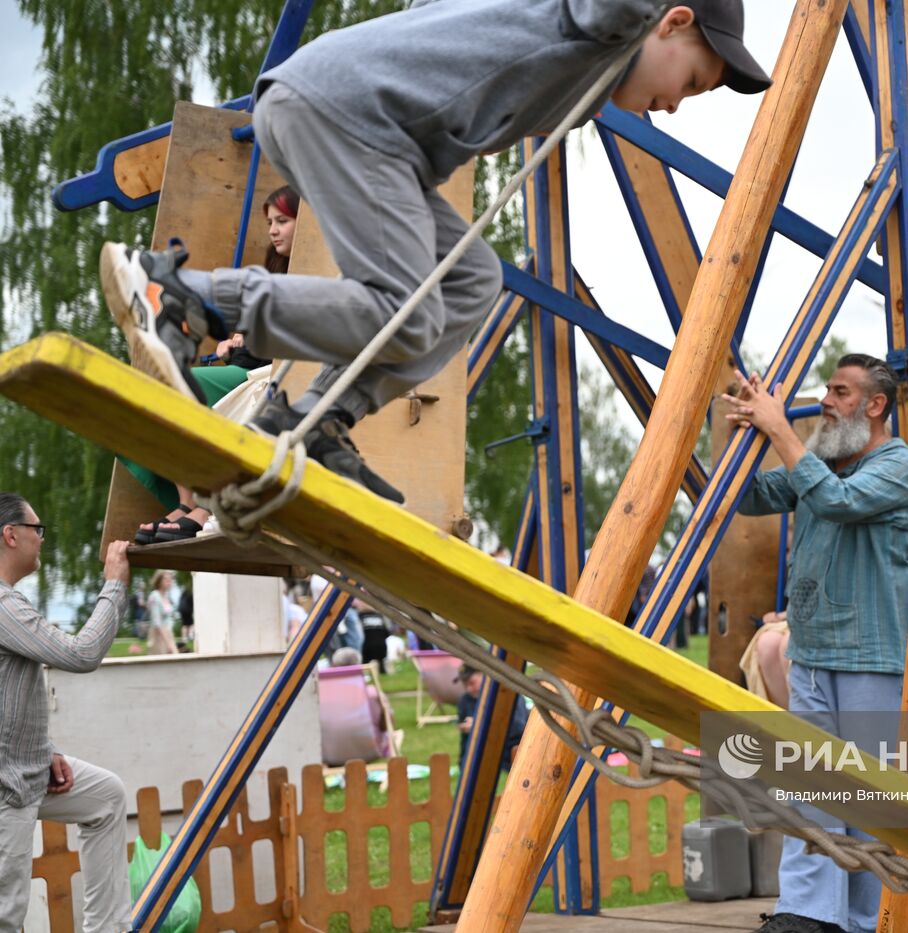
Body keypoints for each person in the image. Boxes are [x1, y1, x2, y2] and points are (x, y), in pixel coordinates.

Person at [99, 0, 772, 505]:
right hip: (346, 114)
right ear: (670, 21)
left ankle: (316, 416)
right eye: (692, 83)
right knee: (405, 308)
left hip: (364, 132)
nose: (677, 106)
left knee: (472, 279)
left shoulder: (590, 75)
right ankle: (189, 297)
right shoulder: (610, 20)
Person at [722, 353, 908, 933]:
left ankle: (863, 921)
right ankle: (806, 914)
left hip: (871, 656)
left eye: (839, 391)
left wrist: (779, 428)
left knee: (867, 798)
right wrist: (740, 436)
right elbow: (751, 496)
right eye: (829, 390)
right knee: (811, 788)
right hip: (812, 653)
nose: (826, 401)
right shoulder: (822, 461)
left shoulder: (899, 465)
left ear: (875, 404)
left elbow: (841, 502)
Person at [130, 186, 299, 544]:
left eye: (283, 221)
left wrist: (250, 339)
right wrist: (233, 341)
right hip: (244, 366)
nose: (272, 230)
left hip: (268, 375)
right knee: (140, 396)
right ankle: (187, 501)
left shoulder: (307, 275)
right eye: (270, 222)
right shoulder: (272, 270)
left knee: (173, 384)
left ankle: (197, 503)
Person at [0, 493, 133, 931]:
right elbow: (82, 653)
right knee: (6, 914)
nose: (43, 539)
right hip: (7, 788)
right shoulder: (3, 607)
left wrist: (45, 748)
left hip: (29, 765)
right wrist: (114, 583)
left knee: (106, 797)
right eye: (38, 529)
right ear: (10, 535)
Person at [455, 663, 529, 772]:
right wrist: (463, 764)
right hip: (481, 757)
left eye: (471, 683)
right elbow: (465, 740)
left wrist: (481, 726)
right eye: (465, 685)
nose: (469, 689)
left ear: (484, 674)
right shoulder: (465, 701)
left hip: (512, 754)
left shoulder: (508, 694)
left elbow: (517, 728)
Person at [145, 570, 179, 655]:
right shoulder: (155, 596)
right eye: (166, 579)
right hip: (159, 636)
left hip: (168, 634)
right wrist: (168, 644)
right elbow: (157, 623)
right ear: (159, 581)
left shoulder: (166, 596)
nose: (169, 582)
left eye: (170, 580)